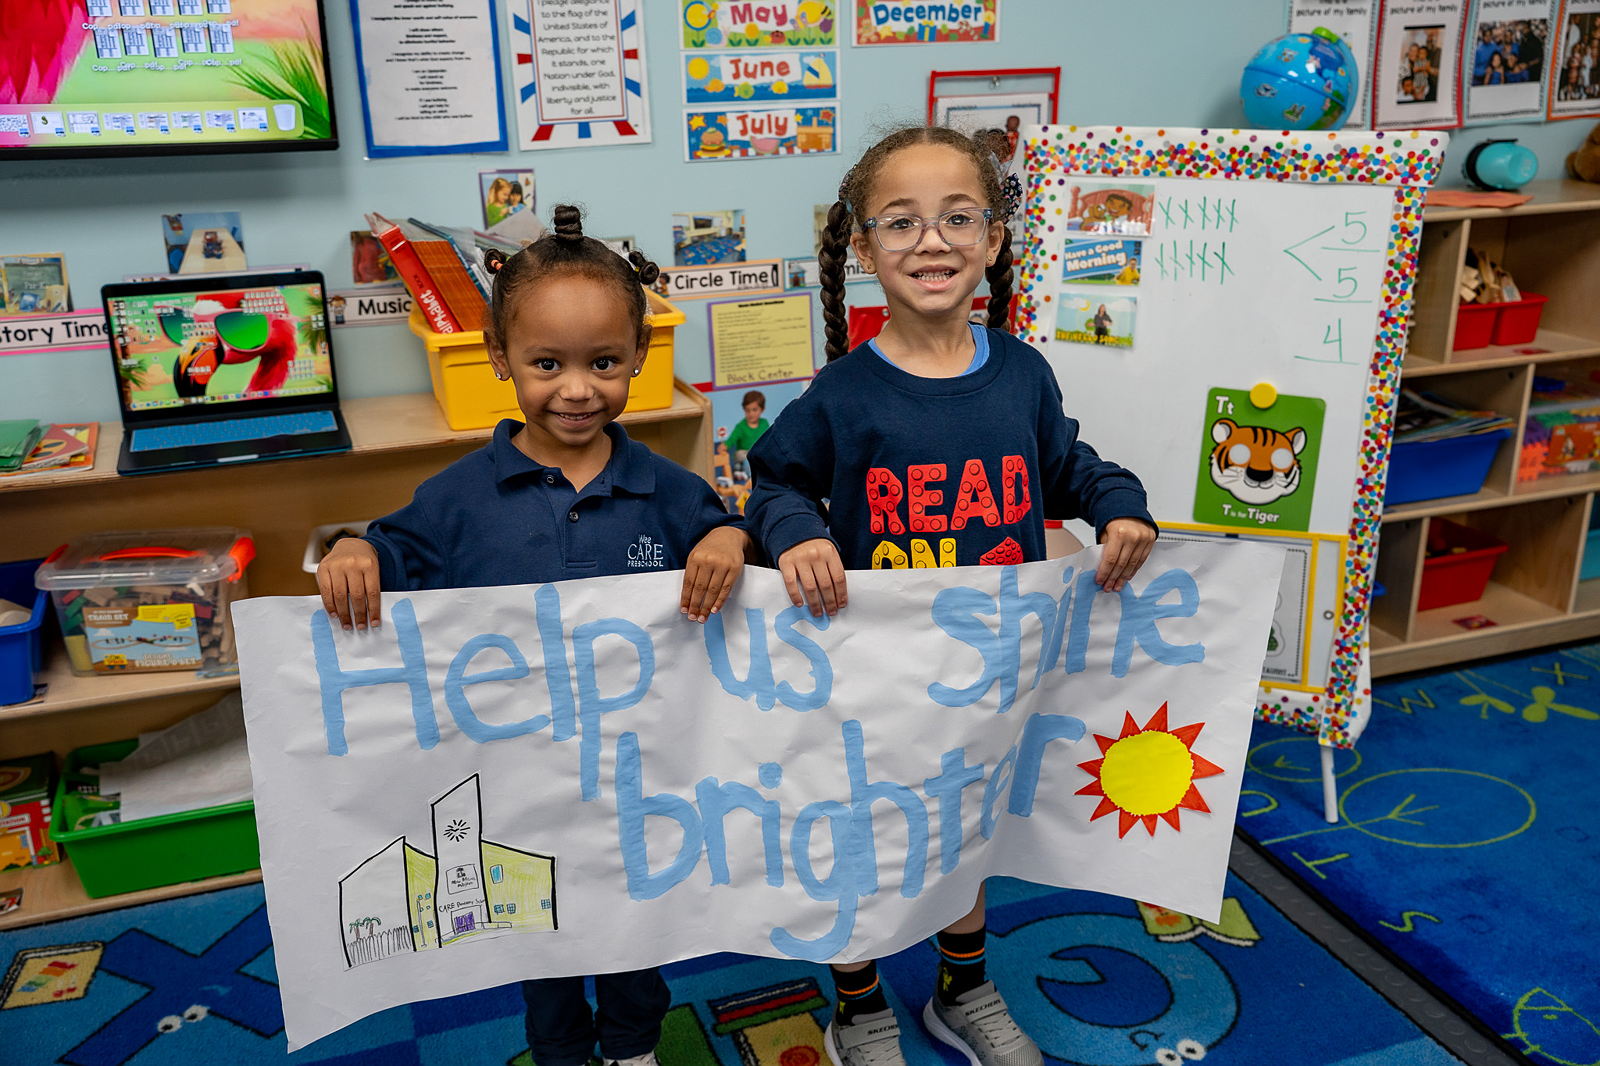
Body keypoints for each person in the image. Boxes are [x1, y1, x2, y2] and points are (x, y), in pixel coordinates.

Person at [744, 125, 1157, 1066]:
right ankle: (857, 1007)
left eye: (958, 218)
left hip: (986, 675)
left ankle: (961, 989)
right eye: (901, 222)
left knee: (966, 832)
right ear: (863, 248)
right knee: (860, 840)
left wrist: (1117, 504)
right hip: (870, 674)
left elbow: (1068, 466)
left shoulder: (1022, 372)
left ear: (994, 239)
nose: (931, 240)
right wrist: (799, 531)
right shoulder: (845, 391)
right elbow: (773, 482)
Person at [317, 204, 750, 1066]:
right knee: (536, 936)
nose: (577, 389)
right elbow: (391, 552)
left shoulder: (669, 488)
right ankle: (558, 1052)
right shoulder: (457, 496)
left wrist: (730, 537)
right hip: (516, 783)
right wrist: (355, 550)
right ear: (499, 357)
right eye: (547, 364)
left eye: (604, 362)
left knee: (634, 931)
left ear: (640, 355)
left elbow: (732, 543)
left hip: (637, 782)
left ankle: (632, 1047)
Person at [722, 389, 770, 479]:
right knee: (742, 455)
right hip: (744, 453)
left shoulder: (764, 423)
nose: (751, 414)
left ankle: (757, 470)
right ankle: (747, 472)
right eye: (748, 410)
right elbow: (732, 438)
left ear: (762, 409)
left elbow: (769, 437)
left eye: (754, 410)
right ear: (744, 410)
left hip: (758, 453)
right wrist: (725, 445)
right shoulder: (741, 426)